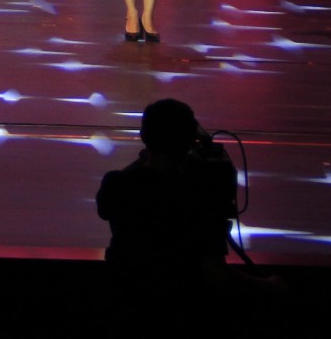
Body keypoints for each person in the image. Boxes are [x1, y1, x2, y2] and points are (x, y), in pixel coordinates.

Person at [96, 98, 237, 279]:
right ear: (189, 140)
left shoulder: (117, 185)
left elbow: (107, 207)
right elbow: (214, 270)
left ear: (143, 135)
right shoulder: (199, 196)